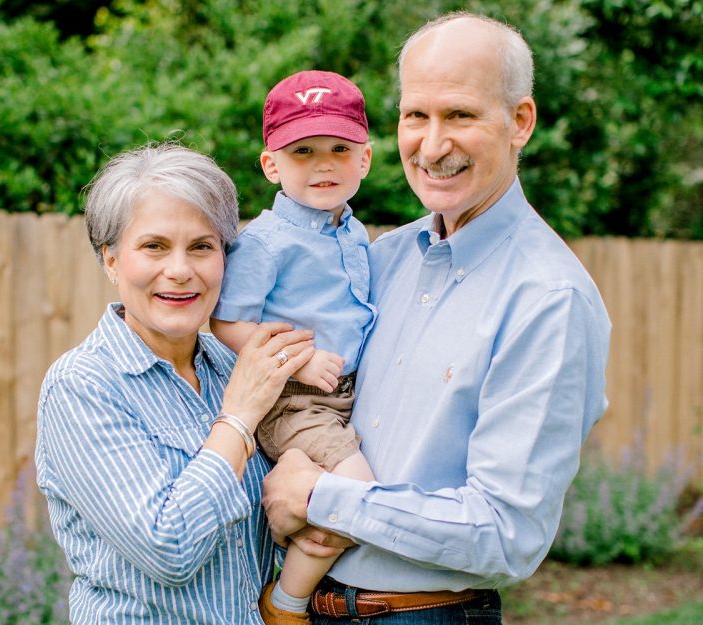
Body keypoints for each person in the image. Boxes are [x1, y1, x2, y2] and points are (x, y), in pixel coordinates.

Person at [261, 12, 612, 625]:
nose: (431, 144)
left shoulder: (548, 299)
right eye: (415, 116)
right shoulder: (381, 259)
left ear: (519, 122)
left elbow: (506, 534)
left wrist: (321, 496)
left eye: (460, 115)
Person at [35, 142, 329, 624]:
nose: (180, 270)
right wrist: (237, 417)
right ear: (111, 261)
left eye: (201, 246)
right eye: (153, 246)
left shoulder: (231, 365)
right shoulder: (83, 386)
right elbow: (169, 548)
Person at [209, 70, 376, 625]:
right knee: (358, 495)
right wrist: (299, 357)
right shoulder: (264, 241)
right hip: (294, 400)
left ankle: (297, 487)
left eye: (338, 148)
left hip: (343, 397)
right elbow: (226, 322)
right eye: (302, 151)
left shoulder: (354, 232)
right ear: (271, 165)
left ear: (365, 160)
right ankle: (287, 601)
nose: (324, 163)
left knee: (336, 488)